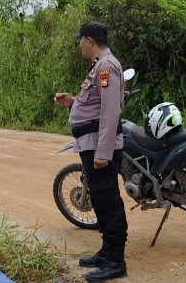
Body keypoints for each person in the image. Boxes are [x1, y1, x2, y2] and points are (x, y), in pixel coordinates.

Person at [54, 21, 129, 282]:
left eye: (80, 40)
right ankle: (107, 252)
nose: (79, 45)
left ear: (89, 40)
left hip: (98, 145)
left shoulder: (106, 67)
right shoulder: (100, 66)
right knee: (99, 199)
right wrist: (73, 102)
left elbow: (110, 112)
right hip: (91, 142)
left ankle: (116, 261)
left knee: (108, 201)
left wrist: (103, 153)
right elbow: (96, 103)